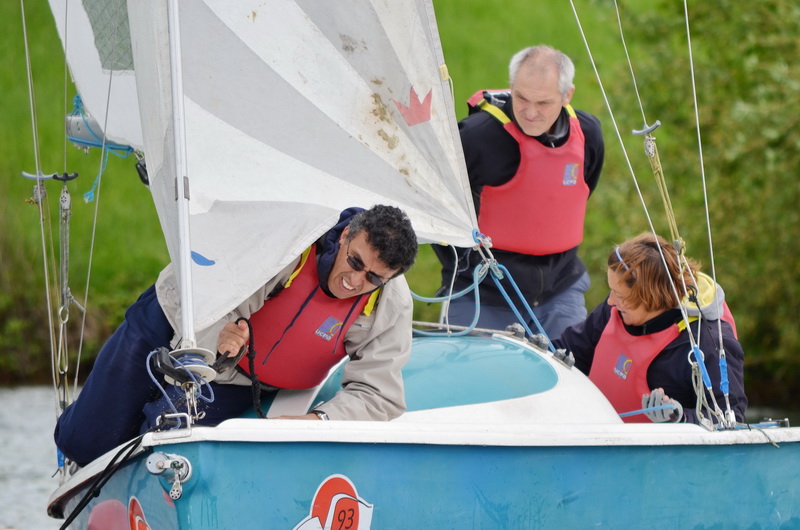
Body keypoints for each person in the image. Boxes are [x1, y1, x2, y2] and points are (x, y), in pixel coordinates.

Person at [55, 205, 418, 466]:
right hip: (171, 321)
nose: (355, 280)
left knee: (166, 442)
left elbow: (379, 394)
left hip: (241, 380)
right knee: (85, 442)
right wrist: (220, 335)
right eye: (355, 262)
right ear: (345, 235)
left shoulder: (393, 303)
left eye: (374, 278)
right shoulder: (289, 240)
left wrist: (319, 422)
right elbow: (208, 285)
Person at [435, 45, 604, 339]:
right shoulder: (475, 138)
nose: (530, 112)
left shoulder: (588, 134)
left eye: (544, 103)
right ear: (512, 87)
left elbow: (582, 191)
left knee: (570, 366)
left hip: (560, 291)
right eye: (522, 98)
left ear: (567, 95)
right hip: (482, 293)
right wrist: (462, 266)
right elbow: (437, 206)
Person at [553, 233, 747, 424]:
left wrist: (679, 418)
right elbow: (568, 348)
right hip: (595, 435)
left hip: (657, 445)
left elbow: (730, 417)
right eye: (612, 291)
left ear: (650, 297)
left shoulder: (708, 342)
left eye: (620, 296)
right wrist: (544, 352)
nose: (611, 301)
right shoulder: (614, 310)